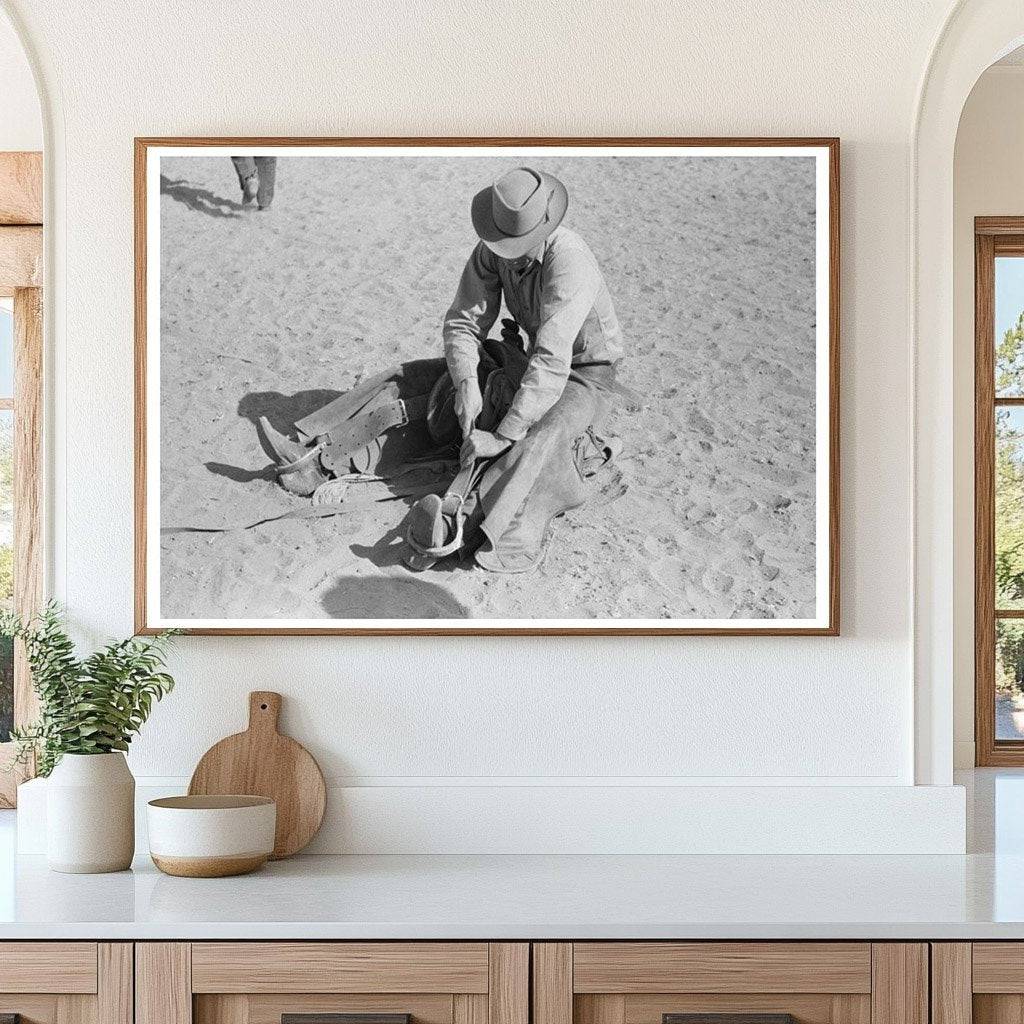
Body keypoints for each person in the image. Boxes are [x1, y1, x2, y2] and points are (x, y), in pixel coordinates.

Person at [406, 166, 624, 573]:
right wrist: (466, 384)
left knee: (541, 436)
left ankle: (460, 523)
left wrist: (502, 435)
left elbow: (552, 359)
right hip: (534, 360)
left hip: (586, 376)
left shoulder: (569, 260)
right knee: (428, 376)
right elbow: (463, 323)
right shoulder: (492, 248)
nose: (507, 250)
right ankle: (321, 448)